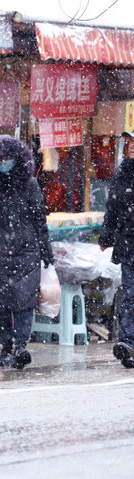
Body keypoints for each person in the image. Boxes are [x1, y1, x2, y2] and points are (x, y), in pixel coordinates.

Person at [0, 135, 53, 370]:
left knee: (25, 302)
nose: (4, 163)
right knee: (3, 304)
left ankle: (21, 346)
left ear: (19, 160)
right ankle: (7, 348)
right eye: (0, 159)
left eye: (9, 158)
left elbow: (39, 221)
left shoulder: (30, 185)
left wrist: (47, 254)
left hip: (27, 252)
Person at [98, 131, 134, 369]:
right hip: (129, 243)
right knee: (132, 294)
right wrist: (106, 236)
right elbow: (113, 207)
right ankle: (128, 343)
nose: (131, 147)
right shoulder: (123, 172)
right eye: (130, 142)